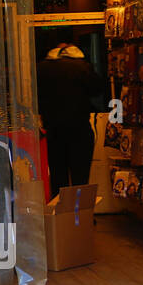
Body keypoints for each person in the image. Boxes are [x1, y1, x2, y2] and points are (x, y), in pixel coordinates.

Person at [36, 43, 105, 197]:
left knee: (57, 176)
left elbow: (35, 94)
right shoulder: (82, 67)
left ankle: (60, 214)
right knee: (80, 177)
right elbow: (97, 89)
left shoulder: (41, 69)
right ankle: (79, 215)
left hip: (54, 130)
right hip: (79, 128)